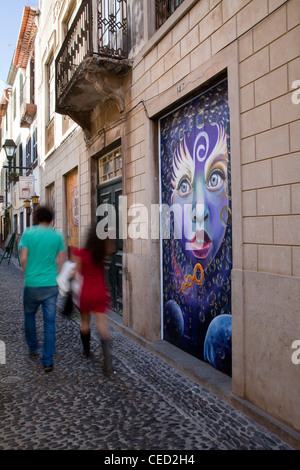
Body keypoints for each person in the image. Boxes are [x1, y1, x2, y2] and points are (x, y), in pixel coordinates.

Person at [19, 206, 66, 373]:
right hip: (50, 285)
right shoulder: (57, 235)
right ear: (51, 219)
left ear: (36, 218)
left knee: (29, 315)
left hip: (32, 283)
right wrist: (55, 275)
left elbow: (23, 257)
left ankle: (33, 347)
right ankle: (47, 359)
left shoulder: (28, 233)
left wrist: (28, 273)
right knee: (49, 322)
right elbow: (61, 260)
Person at [71, 224, 114, 376]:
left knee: (84, 322)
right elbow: (110, 247)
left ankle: (86, 351)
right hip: (100, 292)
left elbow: (75, 274)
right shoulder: (103, 252)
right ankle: (107, 361)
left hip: (85, 292)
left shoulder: (80, 253)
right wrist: (108, 234)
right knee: (102, 325)